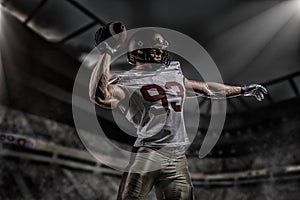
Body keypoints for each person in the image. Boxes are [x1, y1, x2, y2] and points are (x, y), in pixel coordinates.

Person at [89, 23, 268, 200]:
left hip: (177, 157)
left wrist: (243, 90)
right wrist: (107, 51)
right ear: (139, 50)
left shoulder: (172, 75)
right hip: (148, 152)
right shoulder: (125, 80)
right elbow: (100, 96)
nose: (161, 50)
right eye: (156, 47)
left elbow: (208, 88)